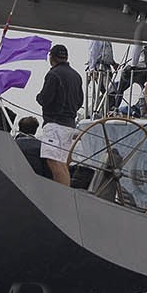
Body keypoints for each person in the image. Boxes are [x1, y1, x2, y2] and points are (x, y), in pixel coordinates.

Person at [36, 43, 83, 186]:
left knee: (54, 162)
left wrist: (38, 97)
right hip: (70, 125)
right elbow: (79, 101)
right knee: (63, 163)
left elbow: (45, 99)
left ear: (52, 58)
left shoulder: (53, 74)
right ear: (66, 57)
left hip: (55, 124)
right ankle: (64, 194)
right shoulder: (76, 76)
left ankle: (63, 196)